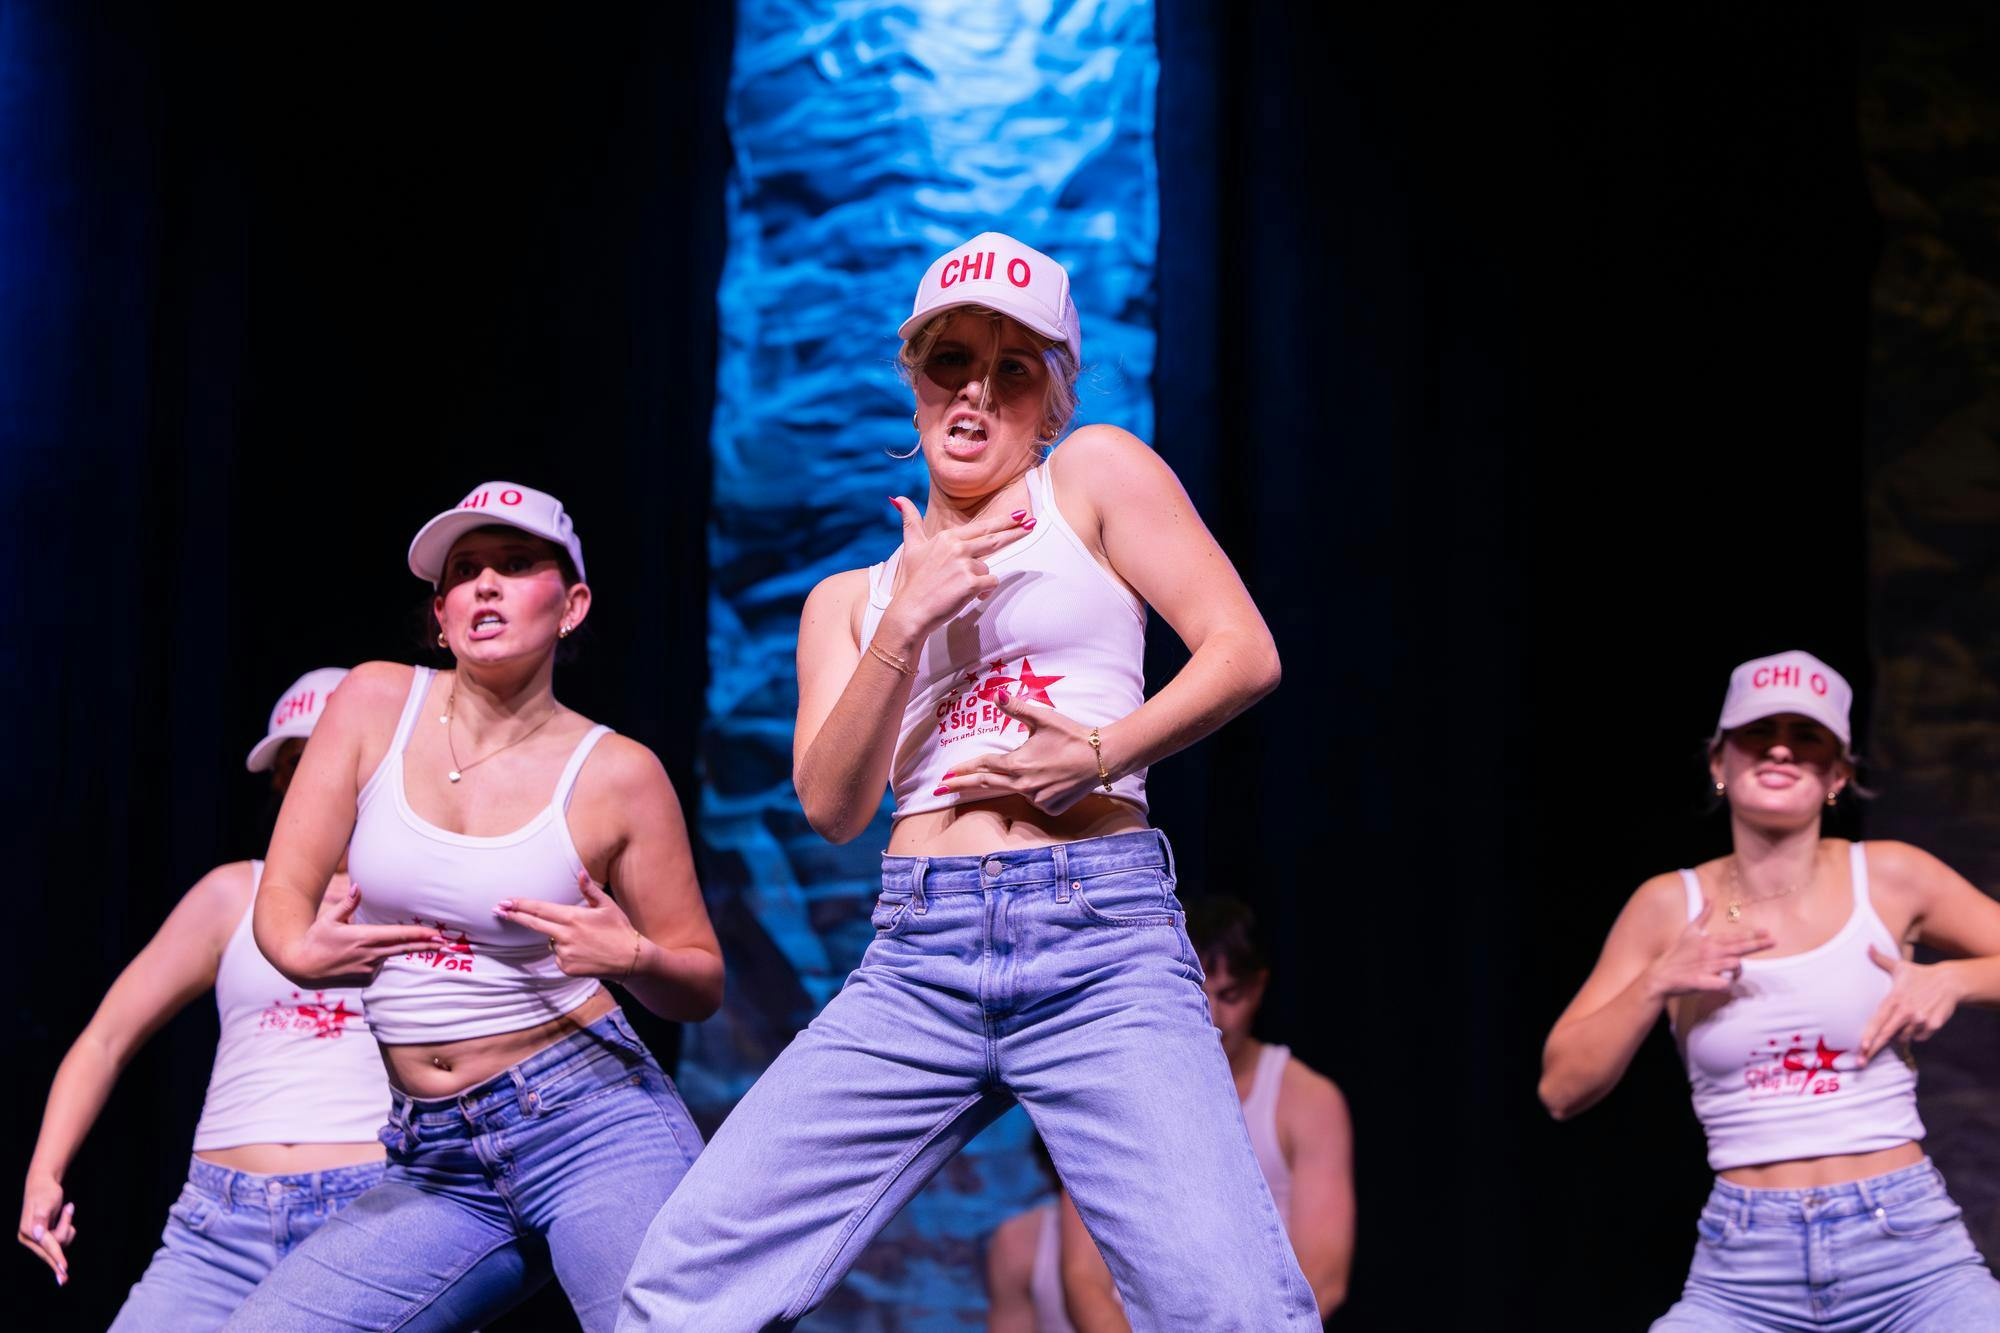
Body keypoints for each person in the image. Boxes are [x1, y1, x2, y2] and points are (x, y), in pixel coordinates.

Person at [620, 232, 1318, 1330]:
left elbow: (1243, 651)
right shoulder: (848, 601)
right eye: (950, 360)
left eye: (1013, 367)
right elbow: (832, 805)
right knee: (682, 1284)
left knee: (1231, 1306)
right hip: (918, 957)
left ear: (1051, 399)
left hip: (1096, 937)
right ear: (914, 383)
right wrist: (905, 620)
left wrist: (1098, 753)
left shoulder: (1089, 480)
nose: (976, 391)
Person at [227, 482, 723, 1332]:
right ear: (441, 609)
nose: (484, 584)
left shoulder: (618, 772)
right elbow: (284, 888)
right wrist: (296, 951)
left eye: (516, 564)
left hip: (591, 1124)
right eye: (464, 571)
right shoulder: (375, 702)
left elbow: (701, 980)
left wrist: (633, 957)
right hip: (435, 1158)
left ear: (571, 605)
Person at [1540, 650, 2000, 1330]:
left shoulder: (1894, 875)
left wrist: (1954, 977)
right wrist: (1656, 980)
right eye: (1758, 732)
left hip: (1909, 1258)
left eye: (1807, 735)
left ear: (1838, 773)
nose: (1781, 747)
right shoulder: (1671, 904)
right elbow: (1561, 1089)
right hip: (1744, 1270)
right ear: (1718, 763)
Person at [18, 669, 390, 1330]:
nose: (320, 783)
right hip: (220, 1225)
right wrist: (44, 1172)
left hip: (370, 1217)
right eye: (302, 765)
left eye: (339, 760)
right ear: (281, 781)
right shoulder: (231, 894)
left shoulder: (418, 896)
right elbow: (105, 1037)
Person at [1057, 896, 1353, 1327]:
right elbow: (1081, 1275)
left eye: (1230, 995)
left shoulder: (1307, 1100)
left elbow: (1324, 1276)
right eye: (1198, 992)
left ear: (1260, 986)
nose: (1214, 1015)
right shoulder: (1115, 1088)